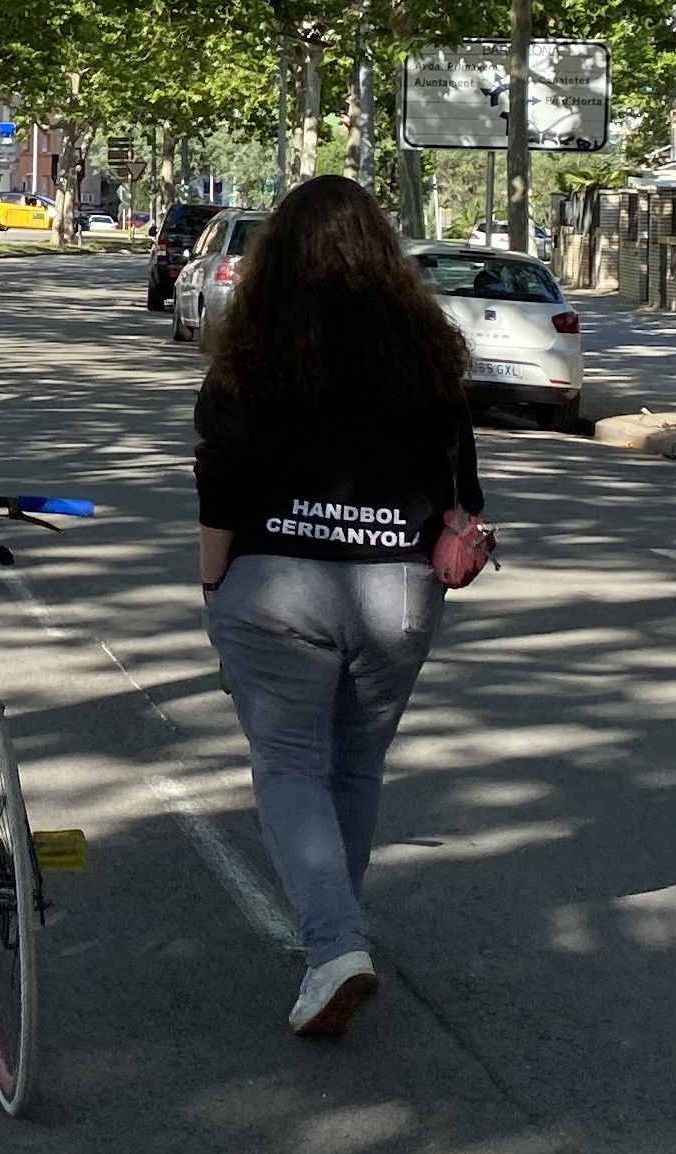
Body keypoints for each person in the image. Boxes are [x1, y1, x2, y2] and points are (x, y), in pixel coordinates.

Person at [192, 174, 487, 1040]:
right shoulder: (428, 357)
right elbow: (461, 486)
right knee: (355, 768)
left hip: (275, 583)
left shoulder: (251, 356)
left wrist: (214, 592)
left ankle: (333, 945)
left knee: (289, 766)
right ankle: (336, 938)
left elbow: (220, 483)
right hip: (397, 587)